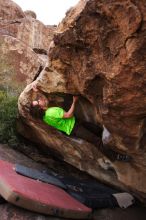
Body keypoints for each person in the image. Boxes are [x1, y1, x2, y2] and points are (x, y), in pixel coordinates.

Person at [31, 84, 131, 162]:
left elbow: (44, 100)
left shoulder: (44, 116)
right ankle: (116, 156)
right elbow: (68, 115)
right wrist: (74, 101)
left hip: (75, 124)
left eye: (37, 99)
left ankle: (109, 146)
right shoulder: (51, 112)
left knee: (97, 130)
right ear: (40, 107)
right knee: (96, 141)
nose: (39, 99)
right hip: (75, 128)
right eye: (38, 101)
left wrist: (37, 91)